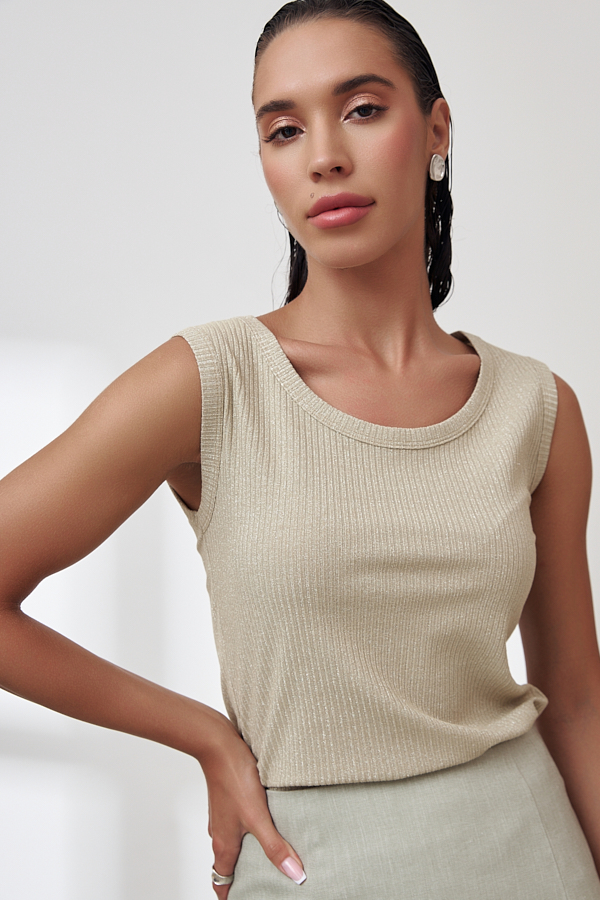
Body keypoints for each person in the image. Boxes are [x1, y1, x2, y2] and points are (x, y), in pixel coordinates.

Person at [1, 0, 600, 897]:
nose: (324, 155)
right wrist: (206, 736)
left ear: (436, 129)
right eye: (284, 130)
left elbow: (576, 699)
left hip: (533, 855)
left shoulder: (535, 407)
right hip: (309, 865)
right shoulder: (211, 381)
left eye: (362, 109)